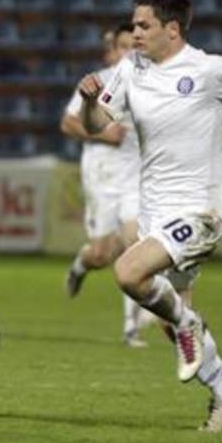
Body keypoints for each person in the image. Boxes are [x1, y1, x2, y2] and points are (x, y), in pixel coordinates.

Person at [78, 0, 222, 432]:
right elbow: (97, 124)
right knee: (168, 317)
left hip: (202, 211)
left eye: (144, 25)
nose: (134, 33)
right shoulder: (129, 69)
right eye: (134, 24)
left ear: (172, 29)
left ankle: (188, 326)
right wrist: (86, 103)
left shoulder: (209, 71)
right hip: (157, 212)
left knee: (127, 273)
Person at [60, 22, 153, 347]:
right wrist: (102, 133)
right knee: (101, 254)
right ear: (113, 50)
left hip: (137, 179)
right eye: (125, 46)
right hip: (102, 175)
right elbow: (67, 123)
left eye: (135, 46)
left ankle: (131, 328)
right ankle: (79, 266)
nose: (131, 52)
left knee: (135, 244)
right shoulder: (97, 82)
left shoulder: (154, 83)